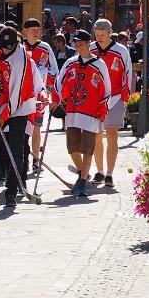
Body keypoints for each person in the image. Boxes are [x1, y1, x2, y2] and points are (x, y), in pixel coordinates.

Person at [0, 28, 40, 209]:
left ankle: (11, 191)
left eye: (9, 47)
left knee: (16, 150)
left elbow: (17, 94)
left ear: (17, 44)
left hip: (19, 107)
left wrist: (4, 115)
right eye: (3, 47)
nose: (5, 50)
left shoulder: (22, 59)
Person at [55, 31, 112, 197]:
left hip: (91, 112)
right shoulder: (70, 62)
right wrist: (55, 99)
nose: (78, 47)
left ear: (89, 43)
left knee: (88, 149)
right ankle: (83, 175)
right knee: (72, 148)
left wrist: (102, 109)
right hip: (72, 111)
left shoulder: (99, 64)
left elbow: (106, 89)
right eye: (76, 44)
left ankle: (81, 183)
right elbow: (60, 82)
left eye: (81, 44)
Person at [90, 19, 132, 188]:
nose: (99, 38)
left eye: (102, 35)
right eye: (96, 34)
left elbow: (128, 74)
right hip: (94, 99)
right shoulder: (91, 49)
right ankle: (99, 171)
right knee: (96, 135)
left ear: (109, 33)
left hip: (115, 98)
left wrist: (125, 96)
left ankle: (109, 173)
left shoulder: (121, 51)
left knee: (112, 134)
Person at [22, 18, 58, 174]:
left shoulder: (45, 47)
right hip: (21, 95)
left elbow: (54, 70)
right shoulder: (19, 47)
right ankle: (22, 159)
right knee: (22, 128)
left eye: (38, 29)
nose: (35, 32)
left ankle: (36, 160)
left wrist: (47, 86)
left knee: (37, 128)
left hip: (39, 96)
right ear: (25, 31)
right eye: (32, 30)